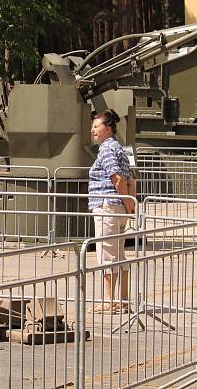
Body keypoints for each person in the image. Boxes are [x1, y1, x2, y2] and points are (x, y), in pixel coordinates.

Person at [88, 109, 134, 314]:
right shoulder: (119, 148)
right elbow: (131, 179)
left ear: (108, 128)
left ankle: (109, 301)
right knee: (119, 255)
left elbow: (117, 178)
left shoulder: (106, 149)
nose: (93, 130)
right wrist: (129, 205)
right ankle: (123, 301)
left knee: (106, 255)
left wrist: (125, 200)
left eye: (96, 126)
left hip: (107, 205)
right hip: (119, 208)